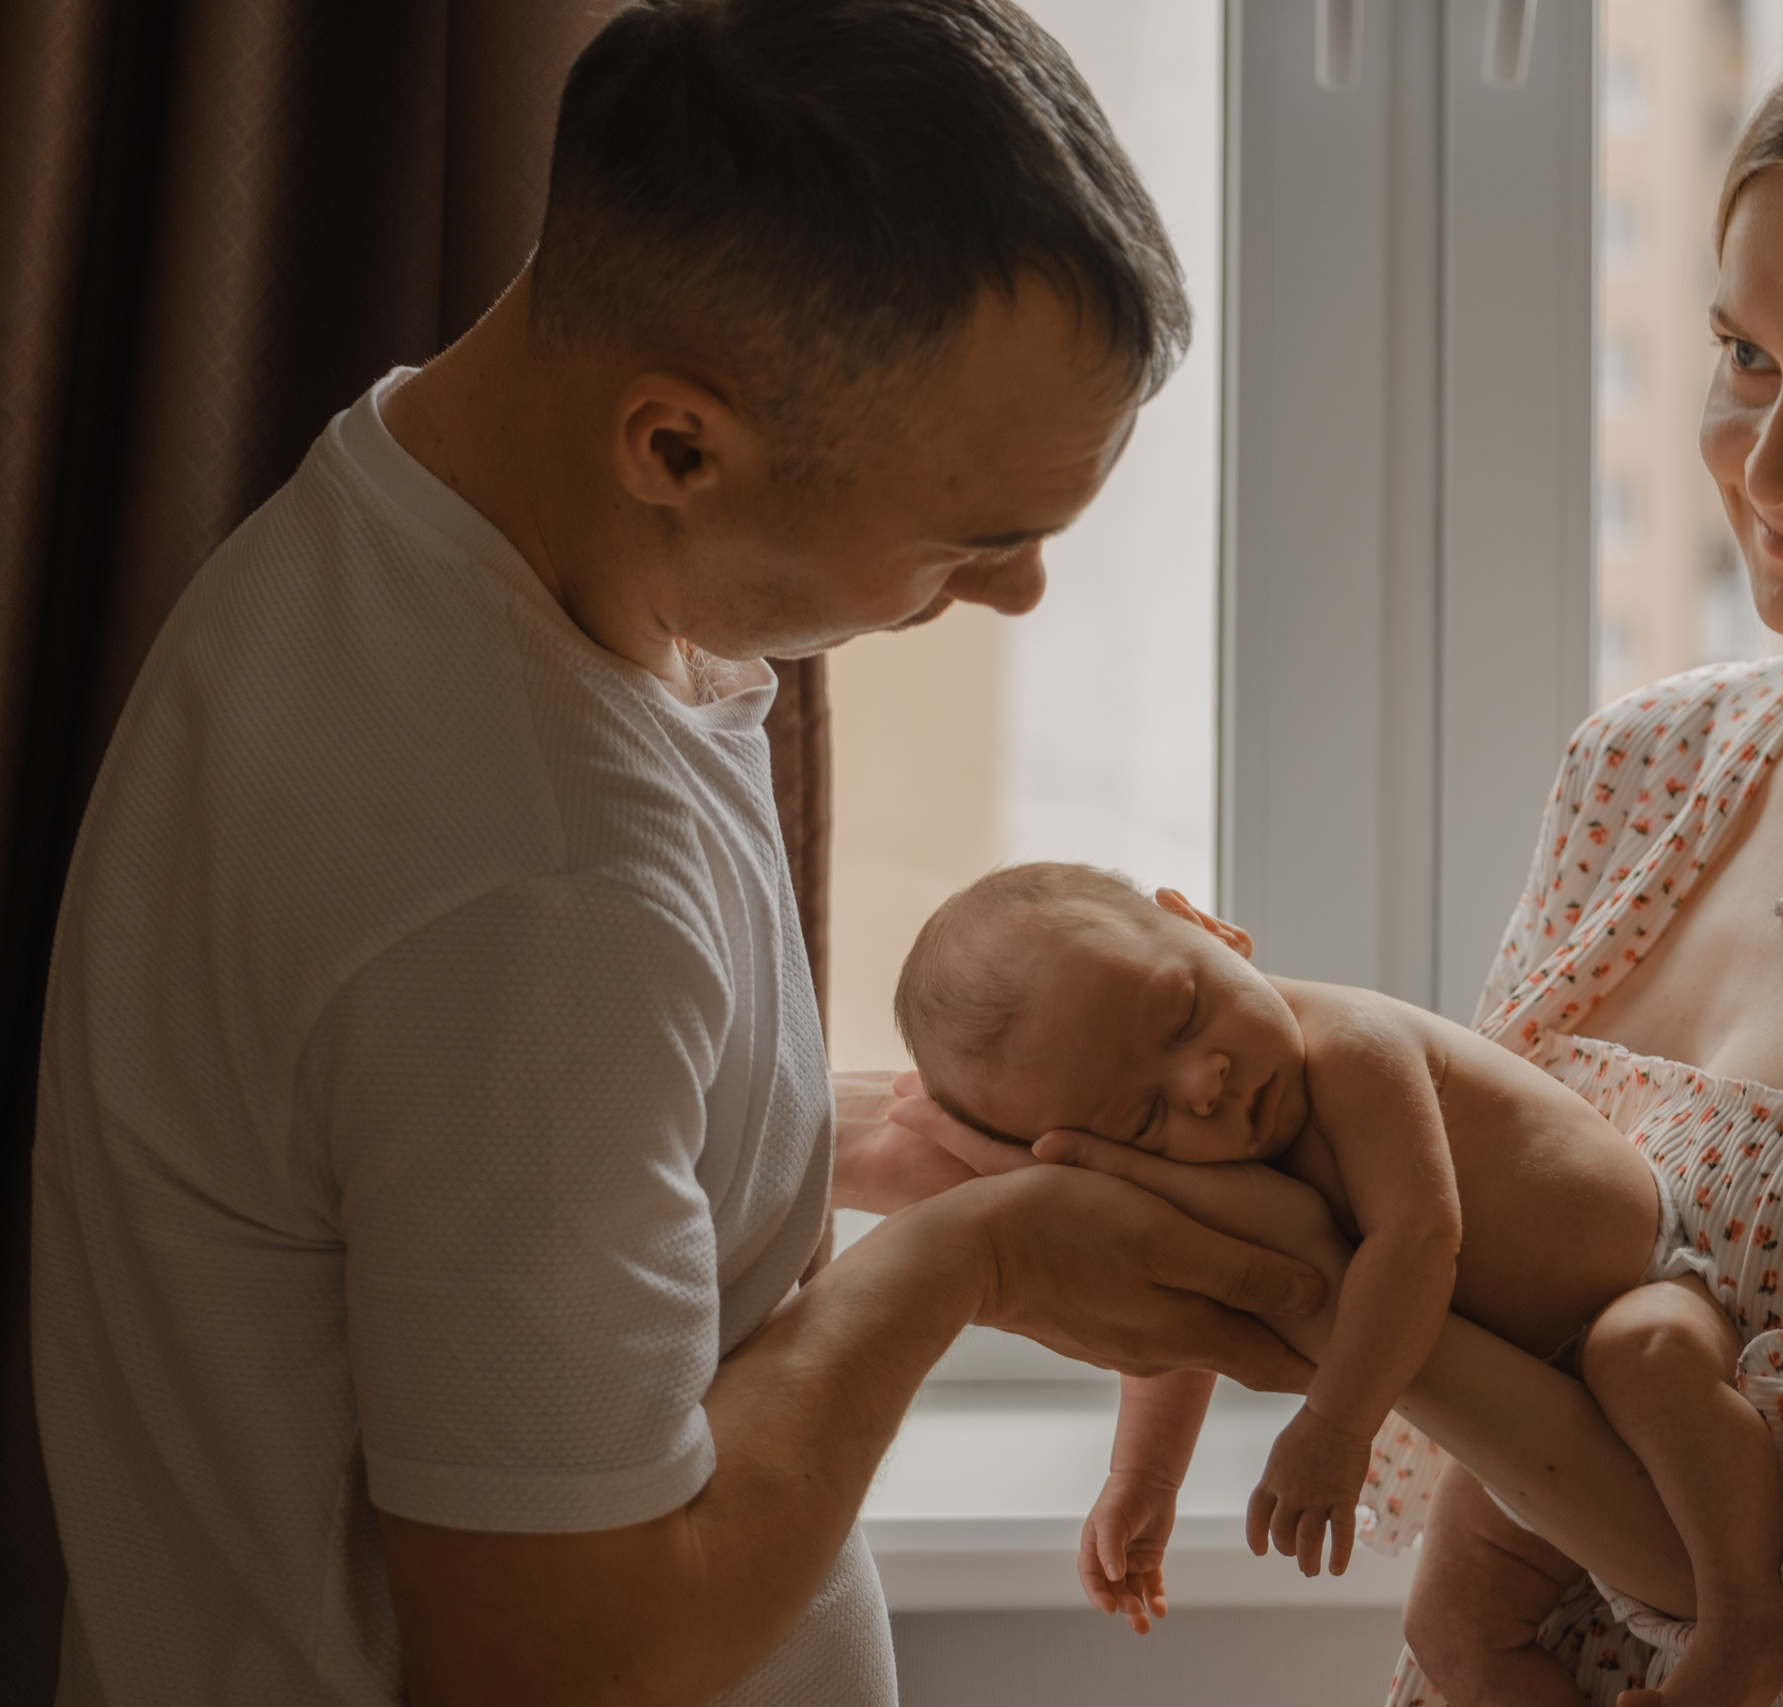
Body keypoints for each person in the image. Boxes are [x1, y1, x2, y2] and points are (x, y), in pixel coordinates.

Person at [877, 4, 1783, 1705]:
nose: (1775, 462)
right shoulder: (1645, 773)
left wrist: (1319, 1302)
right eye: (1746, 357)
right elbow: (1481, 1431)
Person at [27, 4, 1330, 1704]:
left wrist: (893, 1146)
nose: (1020, 593)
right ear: (677, 445)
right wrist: (972, 1261)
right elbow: (557, 1664)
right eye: (976, 536)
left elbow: (464, 1155)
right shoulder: (527, 880)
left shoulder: (409, 532)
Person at [888, 861, 1783, 1693]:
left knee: (1649, 1354)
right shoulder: (1222, 1145)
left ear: (1204, 926)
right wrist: (1144, 1476)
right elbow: (1184, 1312)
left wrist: (1335, 1424)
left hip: (1640, 1284)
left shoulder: (1352, 1045)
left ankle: (1749, 1621)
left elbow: (1420, 1235)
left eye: (1183, 1011)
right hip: (1528, 1395)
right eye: (1142, 1116)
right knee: (1452, 1633)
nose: (1201, 1079)